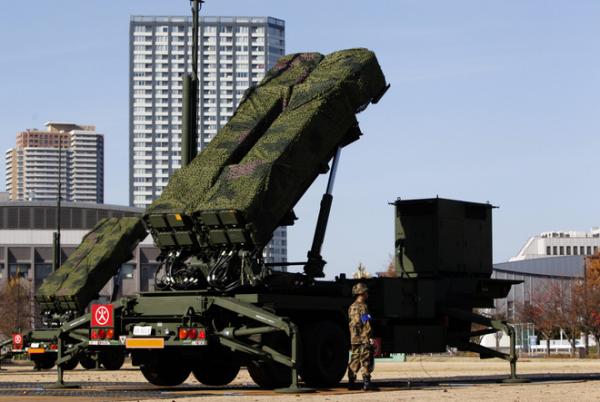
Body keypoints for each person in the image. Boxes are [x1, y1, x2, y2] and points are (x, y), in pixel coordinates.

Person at [347, 282, 377, 391]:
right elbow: (366, 323)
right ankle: (366, 383)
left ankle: (351, 383)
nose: (367, 294)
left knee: (354, 358)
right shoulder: (363, 307)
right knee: (365, 359)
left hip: (354, 338)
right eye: (366, 292)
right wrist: (369, 337)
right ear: (362, 293)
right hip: (364, 338)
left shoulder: (351, 307)